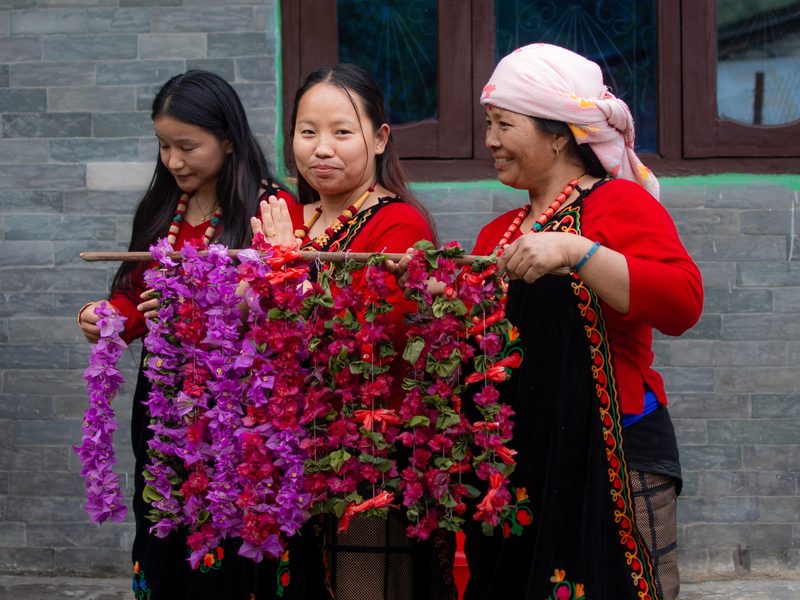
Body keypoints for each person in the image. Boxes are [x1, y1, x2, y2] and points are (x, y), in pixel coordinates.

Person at [458, 44, 703, 600]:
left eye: (504, 124)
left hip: (618, 451)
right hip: (527, 463)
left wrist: (578, 253)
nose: (491, 140)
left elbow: (683, 302)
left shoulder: (618, 205)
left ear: (561, 133)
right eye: (488, 124)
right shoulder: (498, 231)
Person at [76, 70, 292, 599]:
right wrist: (105, 317)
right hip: (165, 407)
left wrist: (207, 303)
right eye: (163, 145)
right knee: (165, 532)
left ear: (227, 139)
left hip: (236, 413)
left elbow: (282, 310)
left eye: (186, 146)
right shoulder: (162, 208)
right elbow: (135, 299)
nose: (173, 161)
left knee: (235, 540)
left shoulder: (268, 211)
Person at [254, 63, 455, 600]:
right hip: (294, 448)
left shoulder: (398, 224)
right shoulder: (293, 219)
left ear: (380, 137)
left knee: (360, 586)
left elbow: (378, 332)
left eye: (342, 132)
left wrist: (284, 266)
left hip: (366, 453)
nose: (322, 148)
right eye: (307, 131)